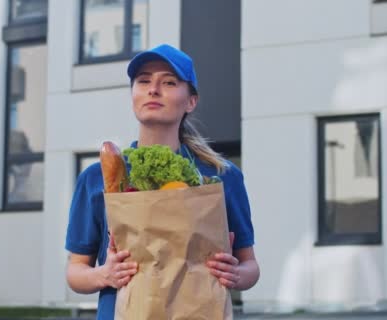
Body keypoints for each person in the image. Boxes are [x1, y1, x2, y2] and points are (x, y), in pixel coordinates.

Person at [65, 44, 260, 319]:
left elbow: (250, 266)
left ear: (191, 101)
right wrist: (103, 274)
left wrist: (236, 274)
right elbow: (75, 271)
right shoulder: (99, 178)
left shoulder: (221, 177)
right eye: (143, 81)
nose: (153, 89)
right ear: (132, 95)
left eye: (169, 82)